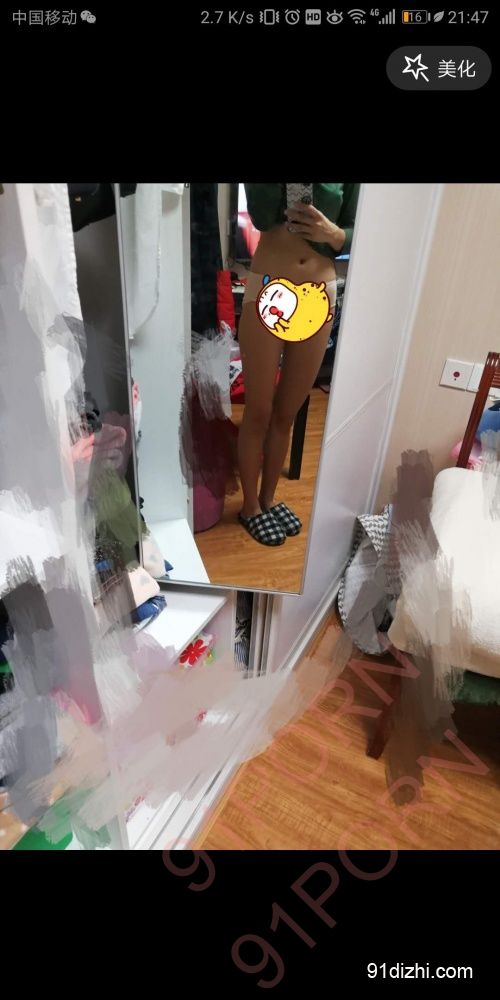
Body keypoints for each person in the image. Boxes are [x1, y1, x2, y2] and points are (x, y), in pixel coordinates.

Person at [237, 182, 360, 545]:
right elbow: (260, 217)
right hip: (269, 287)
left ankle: (268, 499)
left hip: (320, 292)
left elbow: (358, 231)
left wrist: (334, 234)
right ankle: (249, 506)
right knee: (259, 410)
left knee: (287, 411)